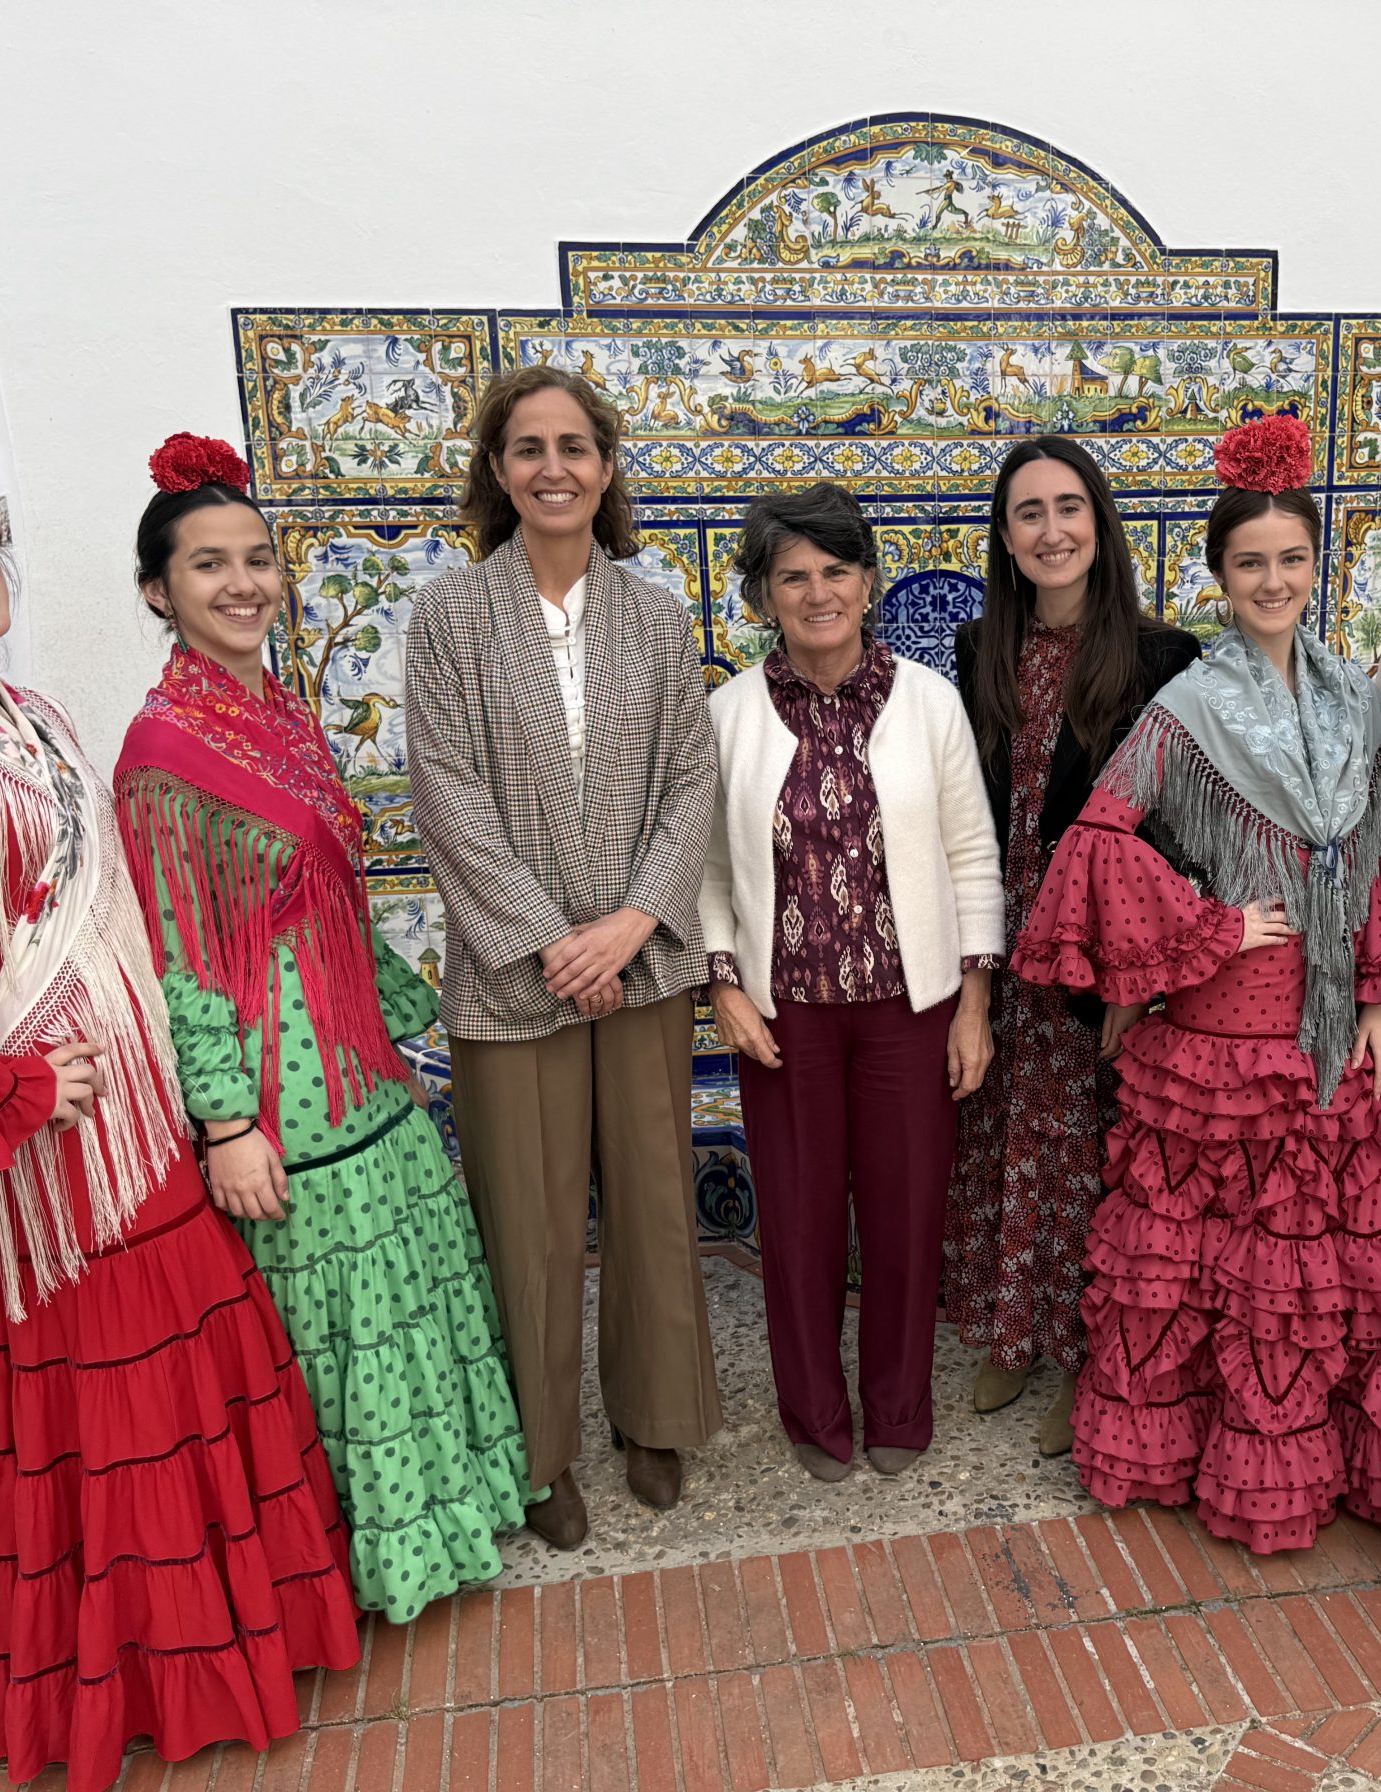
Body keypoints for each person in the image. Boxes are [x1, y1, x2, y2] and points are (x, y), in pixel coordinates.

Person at [0, 426, 357, 1792]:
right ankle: (139, 1676)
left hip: (137, 1100)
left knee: (179, 1355)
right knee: (109, 1386)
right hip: (59, 1134)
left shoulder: (25, 714)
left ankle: (209, 1642)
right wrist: (0, 1091)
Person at [1013, 414, 1381, 1554]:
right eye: (1247, 564)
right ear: (1217, 578)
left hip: (1330, 1030)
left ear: (1314, 568)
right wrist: (1207, 929)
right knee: (1210, 1260)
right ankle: (1199, 1456)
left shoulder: (1363, 707)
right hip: (1224, 1031)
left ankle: (1324, 1464)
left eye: (1290, 560)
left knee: (1325, 1270)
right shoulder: (1185, 710)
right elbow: (1095, 839)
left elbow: (1377, 855)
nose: (1270, 582)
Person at [113, 432, 533, 1623]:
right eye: (208, 566)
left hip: (355, 1057)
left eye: (256, 559)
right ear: (160, 591)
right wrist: (226, 1120)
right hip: (278, 1091)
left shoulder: (277, 713)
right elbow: (183, 954)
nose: (243, 583)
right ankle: (360, 1558)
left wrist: (409, 1033)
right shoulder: (166, 753)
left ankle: (446, 1516)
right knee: (339, 1319)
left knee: (406, 1294)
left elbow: (329, 908)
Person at [406, 366, 722, 1542]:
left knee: (647, 1198)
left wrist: (636, 920)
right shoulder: (449, 616)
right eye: (528, 447)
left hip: (638, 965)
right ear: (497, 469)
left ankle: (654, 1417)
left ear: (606, 467)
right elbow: (444, 791)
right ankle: (538, 1453)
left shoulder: (657, 615)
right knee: (529, 1224)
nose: (553, 467)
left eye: (575, 447)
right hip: (512, 973)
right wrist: (548, 939)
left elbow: (690, 778)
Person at [701, 484, 1002, 1479]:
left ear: (868, 583)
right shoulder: (729, 716)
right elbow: (703, 869)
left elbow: (970, 854)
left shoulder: (929, 703)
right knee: (798, 1222)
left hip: (907, 1013)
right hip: (783, 1020)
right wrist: (723, 986)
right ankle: (814, 1415)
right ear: (761, 595)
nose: (817, 592)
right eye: (793, 575)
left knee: (908, 1214)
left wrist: (972, 1003)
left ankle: (899, 1408)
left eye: (836, 570)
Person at [948, 435, 1199, 1455]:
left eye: (1067, 508)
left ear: (1099, 523)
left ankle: (1090, 1350)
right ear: (1004, 539)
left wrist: (1141, 976)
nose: (1050, 531)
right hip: (999, 934)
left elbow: (1177, 831)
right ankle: (1016, 1332)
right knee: (1011, 1135)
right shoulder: (977, 653)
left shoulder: (1161, 657)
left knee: (1092, 1149)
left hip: (1098, 950)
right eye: (1027, 514)